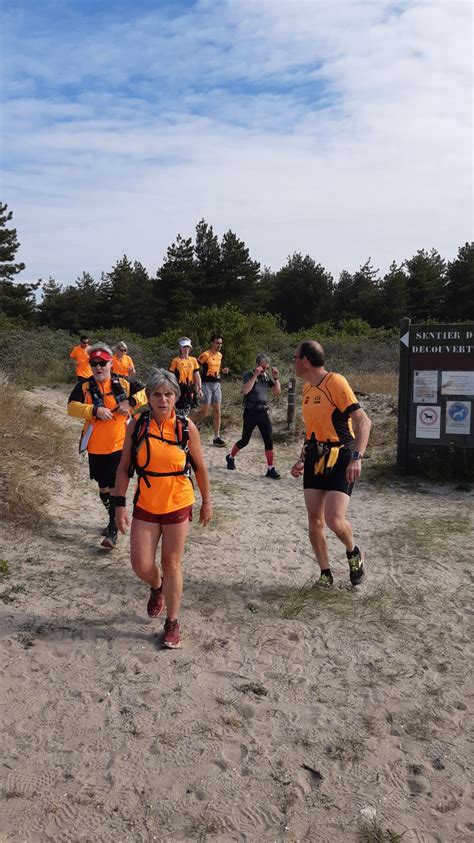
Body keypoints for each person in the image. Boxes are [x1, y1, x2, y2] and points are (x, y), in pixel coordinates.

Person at [114, 369, 212, 649]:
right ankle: (156, 587)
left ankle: (172, 623)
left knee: (171, 563)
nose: (163, 400)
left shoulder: (185, 427)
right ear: (149, 398)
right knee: (140, 564)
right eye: (157, 394)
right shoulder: (137, 425)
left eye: (168, 394)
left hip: (178, 501)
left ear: (176, 397)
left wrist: (207, 501)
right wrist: (119, 506)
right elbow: (124, 468)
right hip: (146, 501)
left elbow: (201, 468)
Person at [290, 340, 371, 586]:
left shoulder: (335, 382)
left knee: (334, 520)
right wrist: (302, 458)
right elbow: (312, 430)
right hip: (316, 456)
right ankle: (325, 575)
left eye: (295, 357)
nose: (293, 362)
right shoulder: (307, 389)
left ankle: (353, 551)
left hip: (342, 456)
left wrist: (356, 458)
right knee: (314, 521)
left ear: (305, 360)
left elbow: (363, 422)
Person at [67, 343, 147, 549]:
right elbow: (71, 407)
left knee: (114, 487)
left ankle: (113, 529)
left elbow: (148, 391)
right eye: (94, 364)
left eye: (103, 363)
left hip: (120, 446)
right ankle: (113, 515)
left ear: (111, 364)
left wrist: (130, 402)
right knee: (103, 487)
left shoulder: (125, 383)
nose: (98, 367)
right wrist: (94, 410)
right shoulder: (84, 387)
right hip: (95, 447)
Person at [226, 353, 282, 478]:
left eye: (266, 368)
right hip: (250, 411)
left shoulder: (266, 377)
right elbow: (245, 390)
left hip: (263, 411)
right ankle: (230, 457)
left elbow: (277, 392)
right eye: (263, 367)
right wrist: (255, 375)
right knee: (245, 440)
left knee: (269, 440)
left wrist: (276, 378)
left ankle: (270, 468)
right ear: (257, 365)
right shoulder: (249, 375)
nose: (264, 370)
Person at [193, 334, 229, 446]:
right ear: (212, 343)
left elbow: (216, 368)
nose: (219, 345)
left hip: (216, 384)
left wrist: (223, 370)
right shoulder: (205, 355)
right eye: (217, 343)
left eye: (220, 343)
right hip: (206, 384)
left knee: (217, 411)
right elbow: (195, 368)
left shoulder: (220, 355)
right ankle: (186, 423)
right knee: (204, 411)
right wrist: (196, 384)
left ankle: (217, 437)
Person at [169, 337, 202, 415]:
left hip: (190, 388)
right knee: (178, 409)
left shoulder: (193, 360)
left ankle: (185, 425)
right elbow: (170, 375)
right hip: (179, 388)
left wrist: (199, 388)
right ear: (180, 347)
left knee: (188, 409)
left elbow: (197, 375)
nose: (186, 349)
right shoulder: (176, 360)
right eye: (184, 346)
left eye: (187, 346)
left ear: (190, 348)